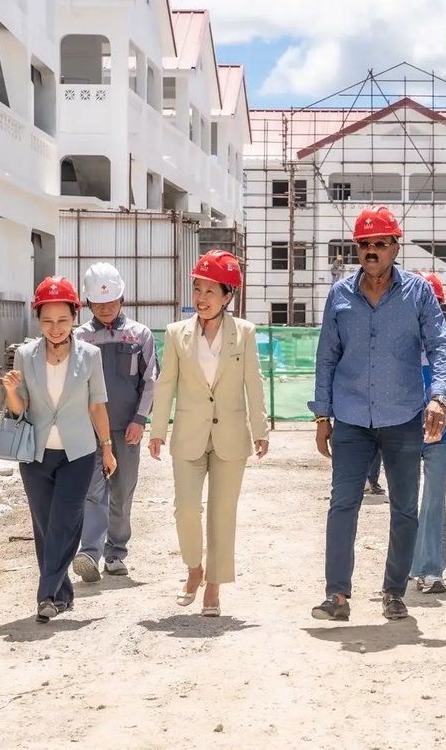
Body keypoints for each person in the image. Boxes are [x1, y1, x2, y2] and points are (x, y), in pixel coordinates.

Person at [309, 205, 446, 622]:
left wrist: (439, 397)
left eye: (379, 243)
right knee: (342, 504)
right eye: (364, 244)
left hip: (404, 418)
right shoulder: (339, 295)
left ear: (396, 246)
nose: (371, 251)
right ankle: (336, 595)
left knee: (405, 507)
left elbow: (442, 347)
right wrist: (322, 416)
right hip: (352, 420)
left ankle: (394, 592)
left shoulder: (419, 293)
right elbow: (326, 357)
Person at [148, 250, 269, 617]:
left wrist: (260, 428)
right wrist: (158, 430)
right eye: (197, 289)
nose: (201, 298)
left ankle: (214, 585)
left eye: (210, 291)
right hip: (188, 433)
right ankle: (193, 569)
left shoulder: (244, 333)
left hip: (231, 436)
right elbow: (165, 383)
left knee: (222, 513)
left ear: (227, 296)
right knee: (185, 508)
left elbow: (254, 382)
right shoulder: (175, 334)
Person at [2, 276, 116, 623]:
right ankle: (62, 594)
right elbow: (18, 410)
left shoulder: (90, 356)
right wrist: (10, 391)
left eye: (63, 320)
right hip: (35, 455)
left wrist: (107, 449)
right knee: (45, 526)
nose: (55, 328)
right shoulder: (24, 355)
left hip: (78, 454)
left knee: (66, 522)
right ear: (38, 319)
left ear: (74, 317)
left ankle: (46, 594)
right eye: (48, 320)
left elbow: (97, 406)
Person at [72, 262, 159, 582]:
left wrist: (140, 419)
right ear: (88, 303)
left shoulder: (140, 335)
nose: (105, 308)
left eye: (111, 302)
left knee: (121, 492)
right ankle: (90, 553)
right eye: (98, 303)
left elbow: (151, 381)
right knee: (93, 492)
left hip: (127, 429)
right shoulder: (79, 337)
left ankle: (116, 553)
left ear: (122, 298)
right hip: (88, 430)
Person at [410, 270, 446, 595]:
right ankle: (406, 565)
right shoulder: (399, 348)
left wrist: (438, 424)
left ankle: (431, 570)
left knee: (433, 500)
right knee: (404, 503)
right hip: (401, 436)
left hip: (440, 439)